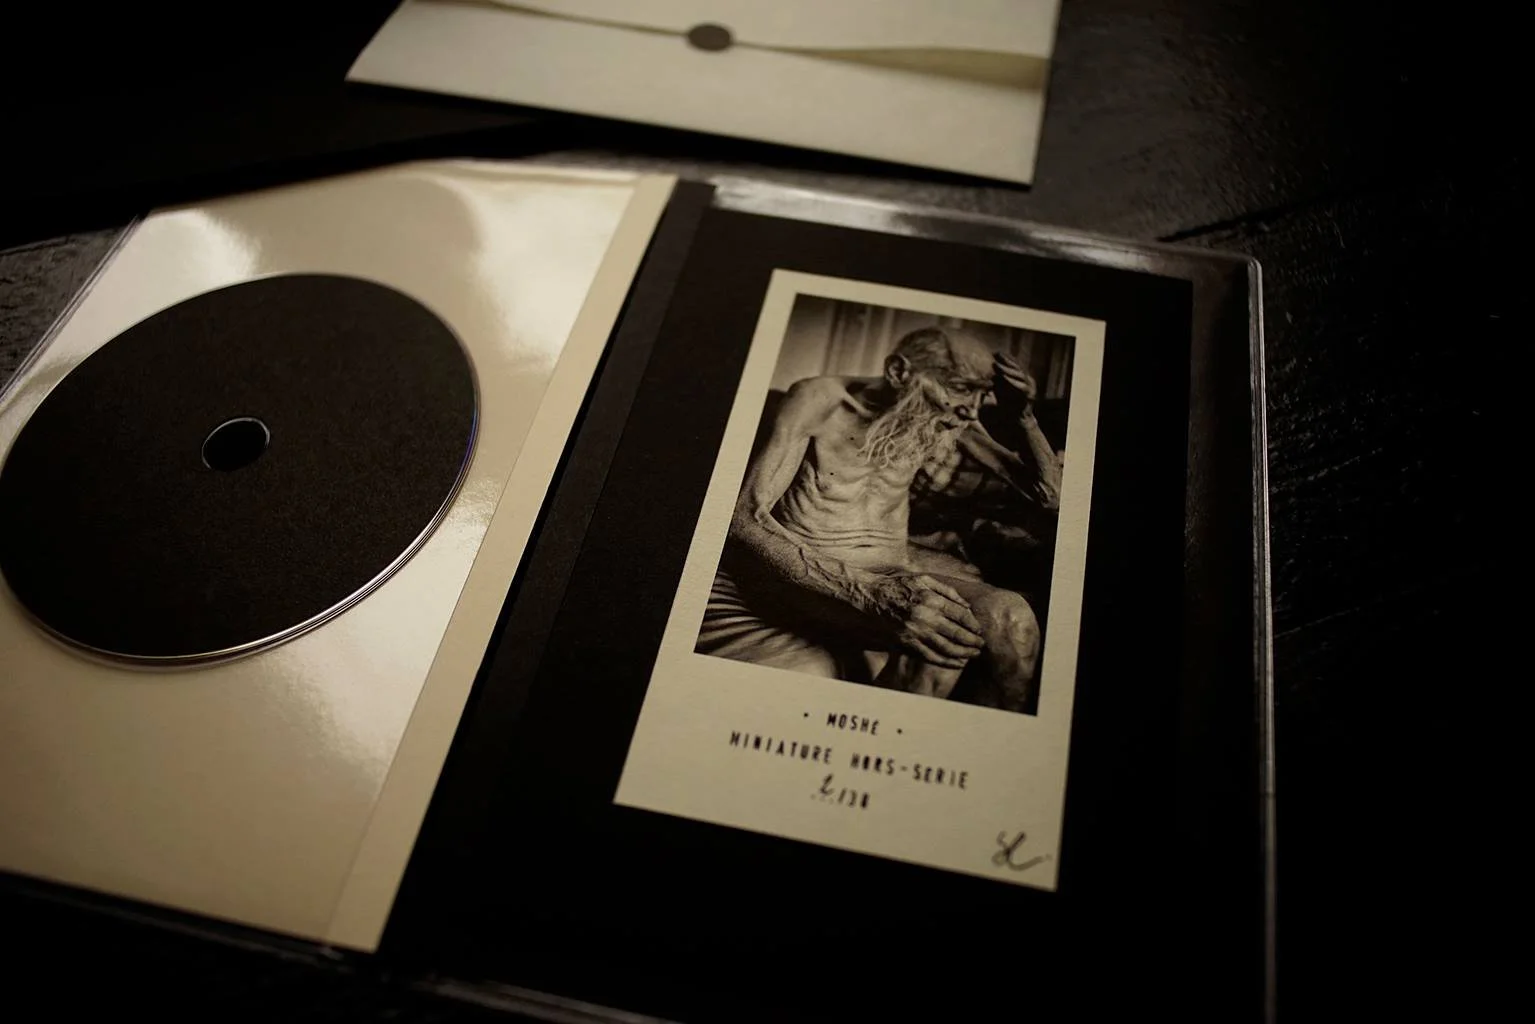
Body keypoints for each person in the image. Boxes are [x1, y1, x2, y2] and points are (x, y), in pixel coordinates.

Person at [696, 326, 1060, 712]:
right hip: (815, 576)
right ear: (899, 372)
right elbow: (741, 519)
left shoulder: (950, 415)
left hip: (891, 568)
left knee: (1012, 620)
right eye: (960, 387)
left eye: (979, 393)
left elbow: (1049, 494)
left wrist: (1024, 417)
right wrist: (864, 590)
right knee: (941, 633)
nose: (971, 409)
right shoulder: (820, 399)